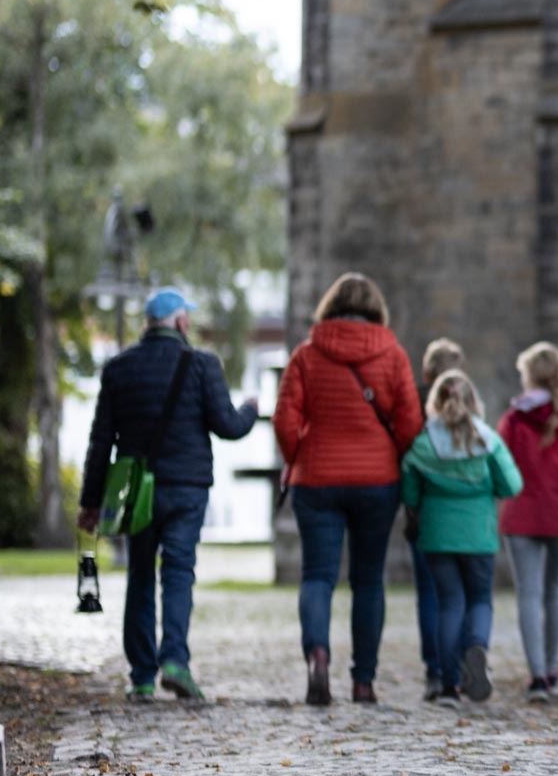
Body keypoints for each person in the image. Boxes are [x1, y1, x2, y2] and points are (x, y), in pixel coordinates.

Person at [77, 288, 259, 702]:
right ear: (180, 322)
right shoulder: (202, 364)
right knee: (178, 571)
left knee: (140, 572)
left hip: (136, 492)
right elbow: (228, 426)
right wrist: (250, 408)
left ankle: (142, 676)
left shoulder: (119, 368)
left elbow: (100, 441)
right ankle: (175, 661)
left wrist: (91, 502)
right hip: (186, 490)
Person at [273, 273, 423, 706]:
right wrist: (392, 454)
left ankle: (318, 656)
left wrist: (296, 455)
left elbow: (284, 419)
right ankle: (363, 681)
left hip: (316, 479)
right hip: (377, 481)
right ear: (376, 309)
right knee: (369, 580)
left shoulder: (306, 354)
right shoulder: (393, 354)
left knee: (317, 576)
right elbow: (410, 421)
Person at [402, 370, 523, 705]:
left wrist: (419, 502)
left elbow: (409, 490)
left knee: (449, 603)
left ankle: (449, 685)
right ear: (473, 402)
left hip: (437, 535)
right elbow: (512, 485)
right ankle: (477, 647)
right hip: (479, 535)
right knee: (480, 599)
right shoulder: (487, 440)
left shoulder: (423, 444)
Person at [498, 342, 558, 702]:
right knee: (556, 590)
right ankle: (552, 669)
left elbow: (501, 463)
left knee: (529, 595)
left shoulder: (514, 418)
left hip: (522, 512)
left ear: (528, 376)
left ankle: (537, 678)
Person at [410, 336, 466, 700]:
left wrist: (409, 504)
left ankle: (436, 669)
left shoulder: (413, 405)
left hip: (426, 514)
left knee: (430, 594)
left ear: (426, 372)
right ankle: (464, 659)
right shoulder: (470, 407)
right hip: (468, 519)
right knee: (466, 592)